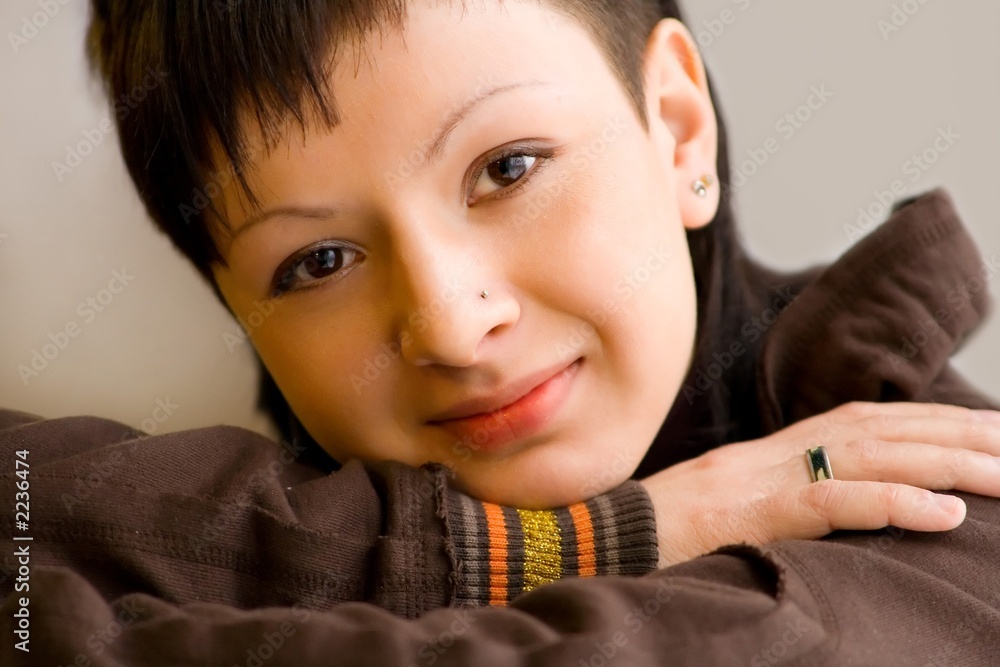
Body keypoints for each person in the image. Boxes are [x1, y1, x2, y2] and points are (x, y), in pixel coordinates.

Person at [3, 0, 1000, 664]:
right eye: (319, 261)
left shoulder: (942, 513)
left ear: (676, 128)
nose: (449, 324)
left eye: (507, 168)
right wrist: (573, 544)